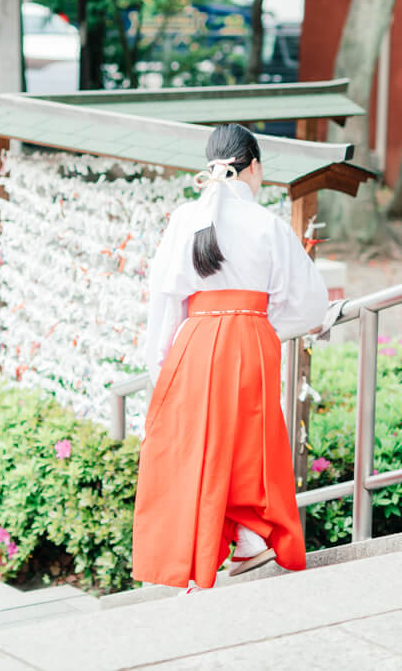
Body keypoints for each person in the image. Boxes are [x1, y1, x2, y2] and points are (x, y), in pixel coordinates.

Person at [131, 123, 329, 593]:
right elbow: (309, 304)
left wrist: (159, 365)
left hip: (194, 340)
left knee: (199, 444)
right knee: (247, 443)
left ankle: (201, 556)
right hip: (250, 339)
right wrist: (261, 326)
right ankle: (247, 537)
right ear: (254, 166)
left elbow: (166, 300)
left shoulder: (186, 220)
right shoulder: (269, 225)